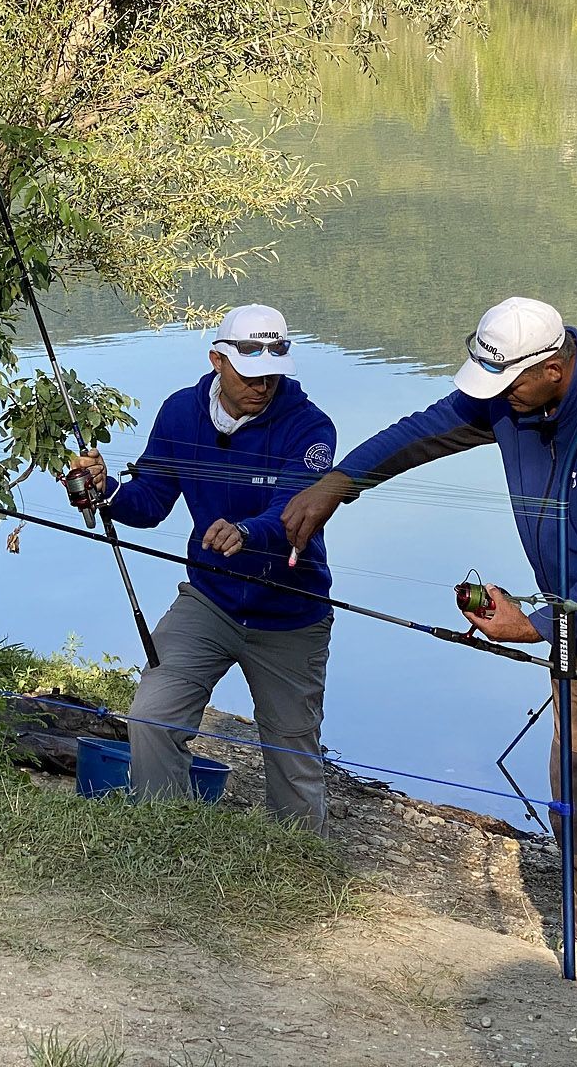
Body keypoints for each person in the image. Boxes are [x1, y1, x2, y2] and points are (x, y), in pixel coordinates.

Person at [280, 296, 577, 946]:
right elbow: (424, 429)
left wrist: (538, 624)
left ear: (553, 367)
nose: (497, 397)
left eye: (511, 383)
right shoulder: (509, 394)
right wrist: (341, 481)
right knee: (576, 793)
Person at [70, 303, 339, 831]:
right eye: (250, 374)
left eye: (272, 374)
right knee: (152, 715)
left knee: (292, 754)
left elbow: (291, 510)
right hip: (209, 600)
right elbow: (148, 502)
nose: (262, 386)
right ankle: (165, 834)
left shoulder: (310, 428)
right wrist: (107, 493)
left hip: (291, 615)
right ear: (218, 360)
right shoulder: (180, 413)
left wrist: (246, 532)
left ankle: (303, 863)